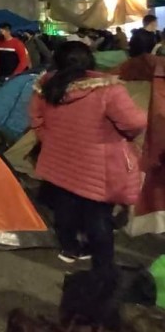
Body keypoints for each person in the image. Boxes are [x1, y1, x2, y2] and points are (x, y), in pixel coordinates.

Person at [30, 42, 146, 272]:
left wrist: (52, 141)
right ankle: (103, 267)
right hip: (97, 165)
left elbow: (37, 121)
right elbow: (135, 122)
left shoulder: (46, 88)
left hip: (60, 161)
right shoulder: (107, 90)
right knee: (98, 216)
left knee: (64, 206)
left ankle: (69, 249)